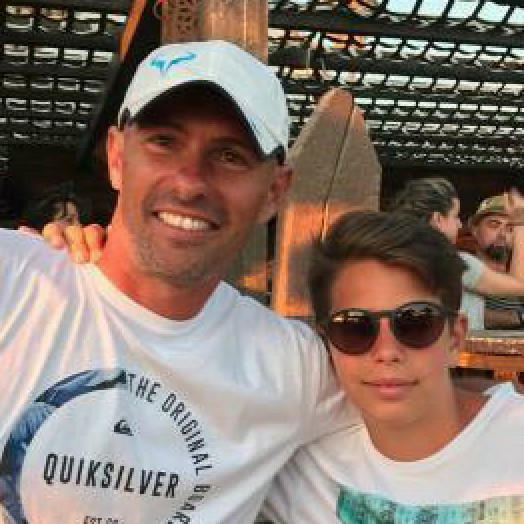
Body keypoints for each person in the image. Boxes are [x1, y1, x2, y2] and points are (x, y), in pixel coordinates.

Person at [0, 40, 351, 523]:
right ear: (117, 157)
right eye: (164, 142)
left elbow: (425, 441)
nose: (189, 182)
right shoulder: (14, 280)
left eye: (230, 156)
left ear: (274, 191)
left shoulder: (295, 369)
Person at [263, 210, 524, 522]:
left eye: (416, 322)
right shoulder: (295, 470)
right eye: (354, 327)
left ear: (455, 339)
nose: (387, 352)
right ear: (328, 341)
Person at [386, 177, 524, 330]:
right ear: (438, 219)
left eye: (510, 227)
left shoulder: (399, 256)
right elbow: (520, 285)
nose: (459, 224)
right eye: (455, 216)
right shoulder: (453, 262)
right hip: (462, 343)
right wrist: (519, 222)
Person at [468, 194, 524, 329]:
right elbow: (459, 314)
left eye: (511, 228)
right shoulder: (461, 267)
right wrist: (518, 317)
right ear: (474, 229)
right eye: (494, 225)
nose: (502, 234)